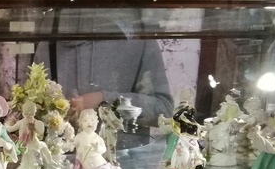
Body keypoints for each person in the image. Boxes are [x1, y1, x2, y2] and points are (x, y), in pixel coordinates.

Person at [33, 10, 174, 126]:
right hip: (62, 151)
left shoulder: (139, 40)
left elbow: (163, 110)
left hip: (124, 151)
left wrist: (105, 100)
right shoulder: (48, 45)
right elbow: (31, 110)